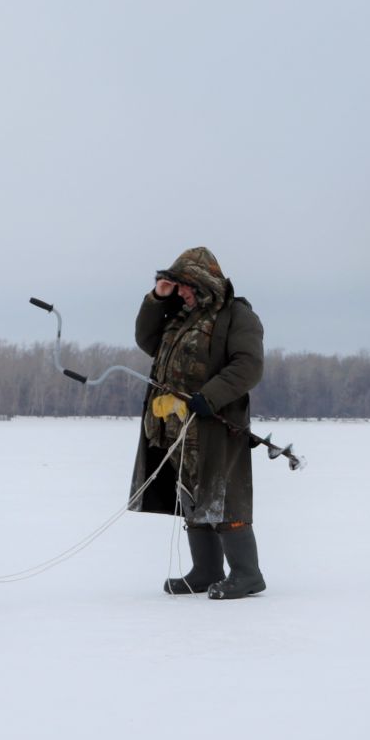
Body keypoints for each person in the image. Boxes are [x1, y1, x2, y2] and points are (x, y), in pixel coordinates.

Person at [130, 246, 267, 599]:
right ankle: (205, 570)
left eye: (185, 285)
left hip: (215, 421)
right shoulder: (180, 314)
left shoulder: (237, 316)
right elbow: (148, 341)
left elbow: (248, 364)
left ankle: (247, 574)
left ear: (205, 283)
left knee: (224, 494)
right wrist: (158, 297)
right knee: (190, 494)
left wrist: (210, 396)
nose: (182, 291)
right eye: (177, 285)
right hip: (176, 424)